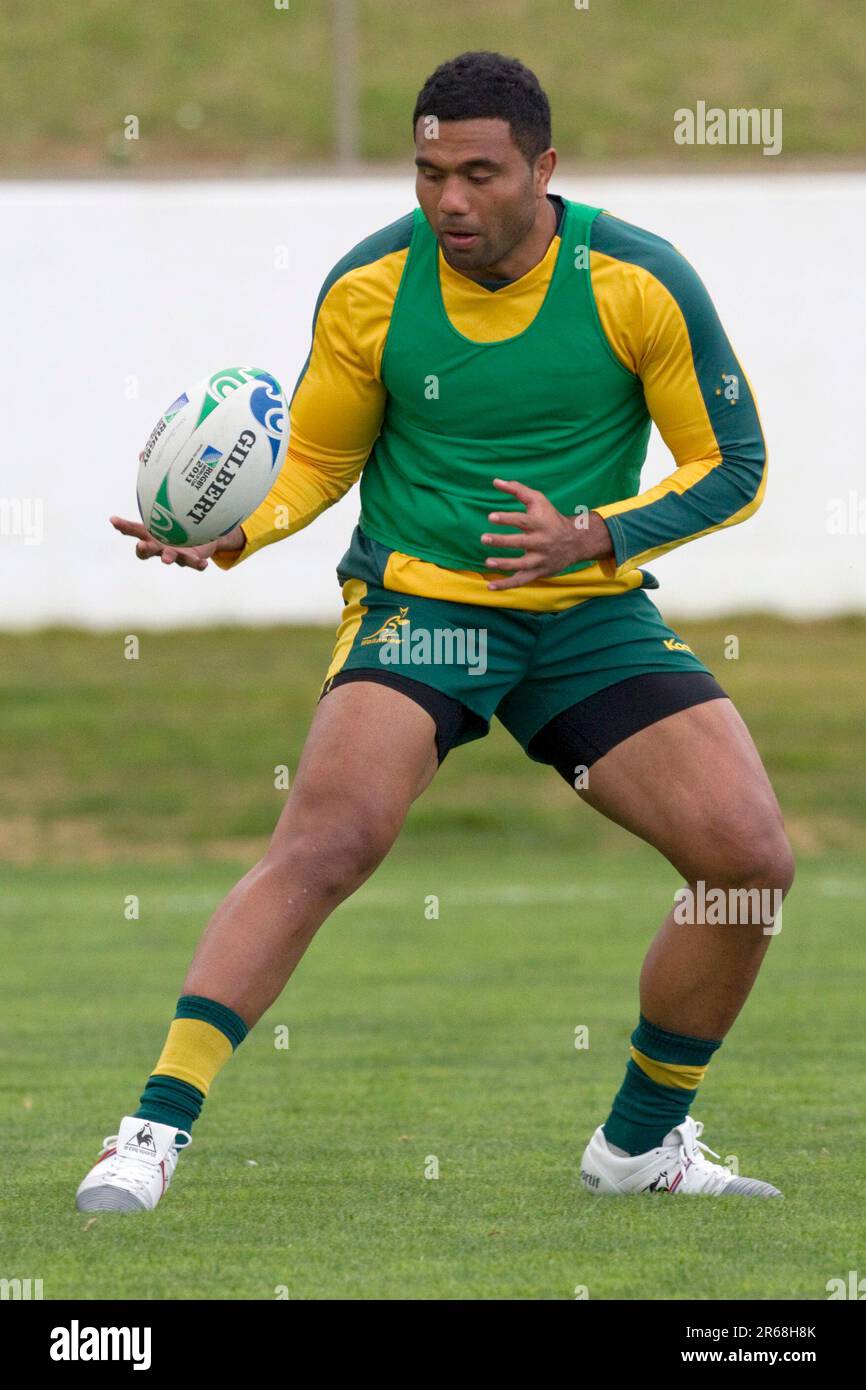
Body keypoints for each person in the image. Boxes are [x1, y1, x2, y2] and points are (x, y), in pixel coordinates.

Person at [77, 51, 793, 1211]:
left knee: (748, 864)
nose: (448, 201)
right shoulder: (371, 284)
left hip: (584, 612)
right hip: (423, 606)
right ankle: (149, 1132)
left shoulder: (638, 281)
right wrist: (238, 533)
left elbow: (734, 466)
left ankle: (638, 1146)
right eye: (426, 173)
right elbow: (316, 454)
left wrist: (597, 536)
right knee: (328, 841)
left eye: (477, 173)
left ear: (543, 169)